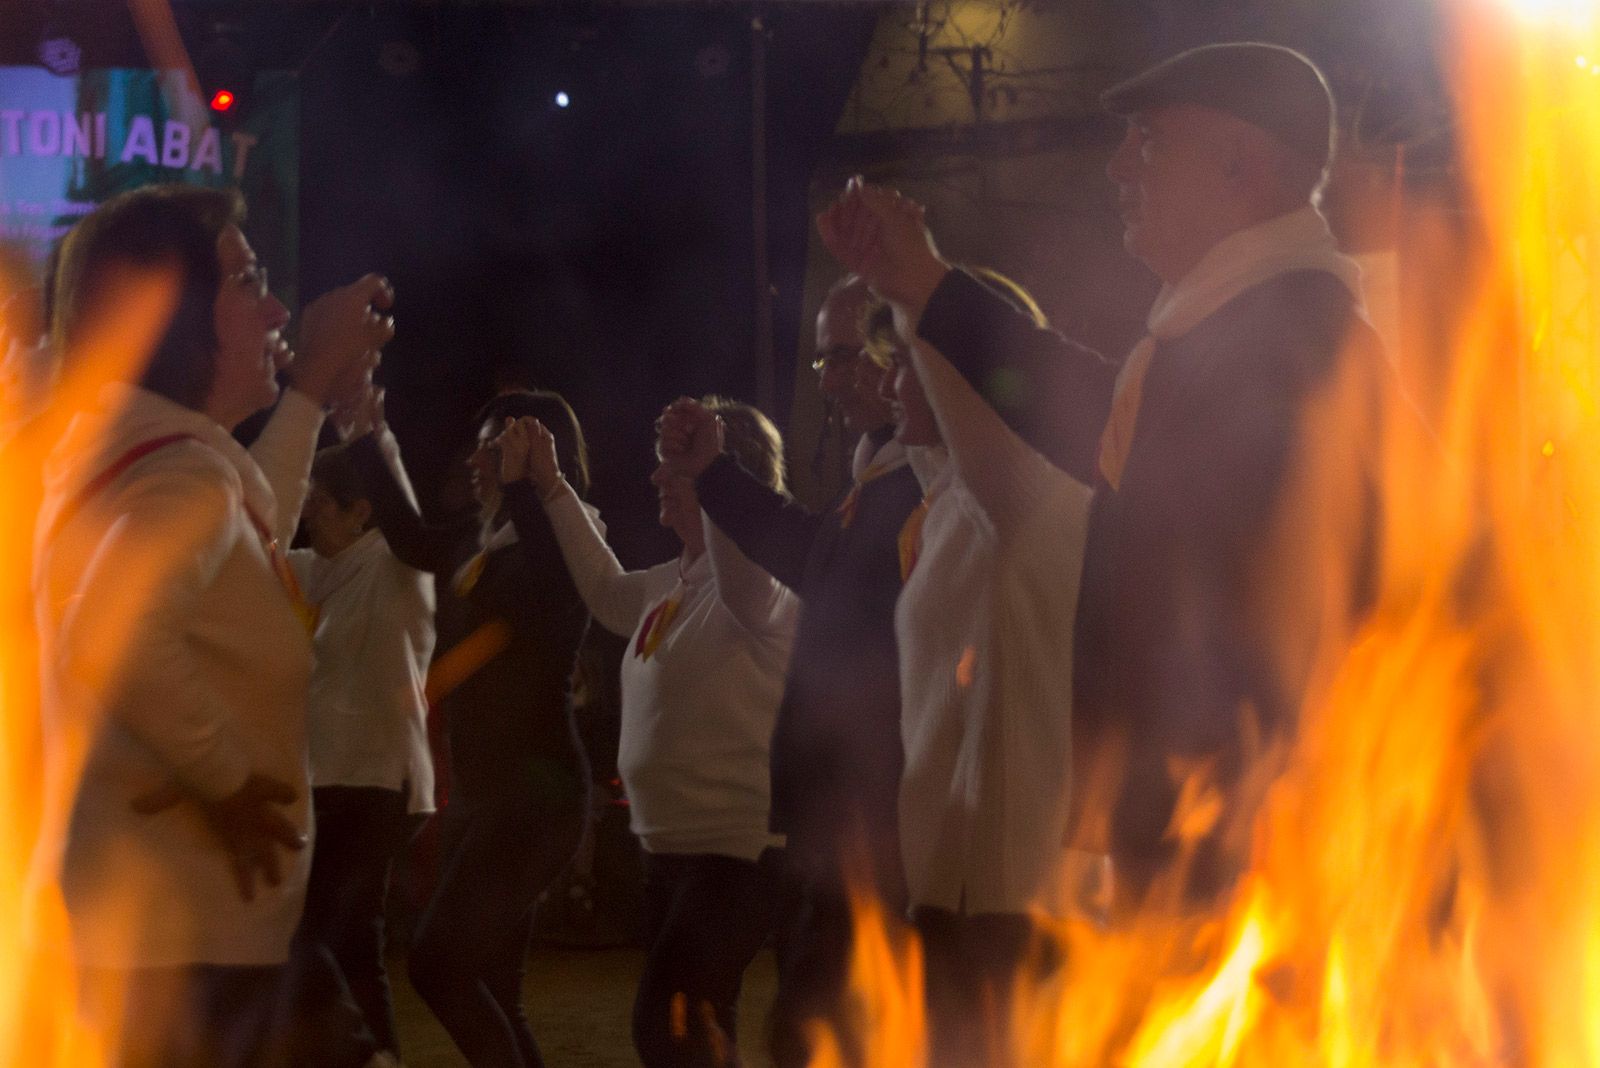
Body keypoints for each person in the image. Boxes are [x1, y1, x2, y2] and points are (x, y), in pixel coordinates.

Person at [821, 42, 1387, 907]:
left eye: (1150, 142)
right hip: (1212, 831)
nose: (1119, 167)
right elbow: (1097, 413)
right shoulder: (1237, 331)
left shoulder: (1292, 338)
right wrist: (926, 289)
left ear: (1240, 164)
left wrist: (931, 290)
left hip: (1248, 851)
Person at [32, 183, 394, 1067]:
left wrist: (309, 394)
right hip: (196, 957)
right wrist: (226, 779)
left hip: (175, 944)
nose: (276, 309)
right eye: (247, 279)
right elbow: (110, 629)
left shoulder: (138, 457)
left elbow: (250, 518)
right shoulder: (180, 477)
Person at [656, 278, 923, 1068]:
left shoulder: (934, 481)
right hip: (838, 821)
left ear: (898, 352)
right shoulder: (879, 476)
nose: (830, 382)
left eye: (843, 357)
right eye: (821, 362)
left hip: (884, 823)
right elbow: (814, 558)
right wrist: (714, 475)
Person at [496, 397, 797, 1067]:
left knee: (666, 1026)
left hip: (738, 853)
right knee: (697, 1031)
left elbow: (744, 584)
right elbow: (607, 592)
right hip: (671, 850)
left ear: (726, 475)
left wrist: (714, 475)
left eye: (677, 468)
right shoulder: (675, 582)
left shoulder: (763, 581)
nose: (657, 478)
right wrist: (552, 485)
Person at [868, 286, 1093, 1063]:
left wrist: (915, 286)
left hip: (1013, 893)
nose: (888, 383)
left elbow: (983, 444)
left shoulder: (1031, 493)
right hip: (948, 883)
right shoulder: (949, 502)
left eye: (905, 363)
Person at [343, 388, 593, 1068]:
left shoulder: (566, 541)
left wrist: (526, 486)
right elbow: (410, 536)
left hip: (536, 800)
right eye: (481, 448)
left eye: (494, 448)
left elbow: (550, 601)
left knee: (436, 965)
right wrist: (365, 436)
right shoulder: (479, 542)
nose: (475, 461)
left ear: (535, 456)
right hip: (490, 798)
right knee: (495, 992)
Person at [287, 397, 436, 1064]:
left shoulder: (396, 567)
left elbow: (404, 510)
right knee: (334, 941)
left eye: (321, 502)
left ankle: (371, 1058)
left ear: (363, 511)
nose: (308, 512)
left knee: (339, 939)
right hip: (328, 781)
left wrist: (370, 431)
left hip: (377, 782)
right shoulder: (313, 572)